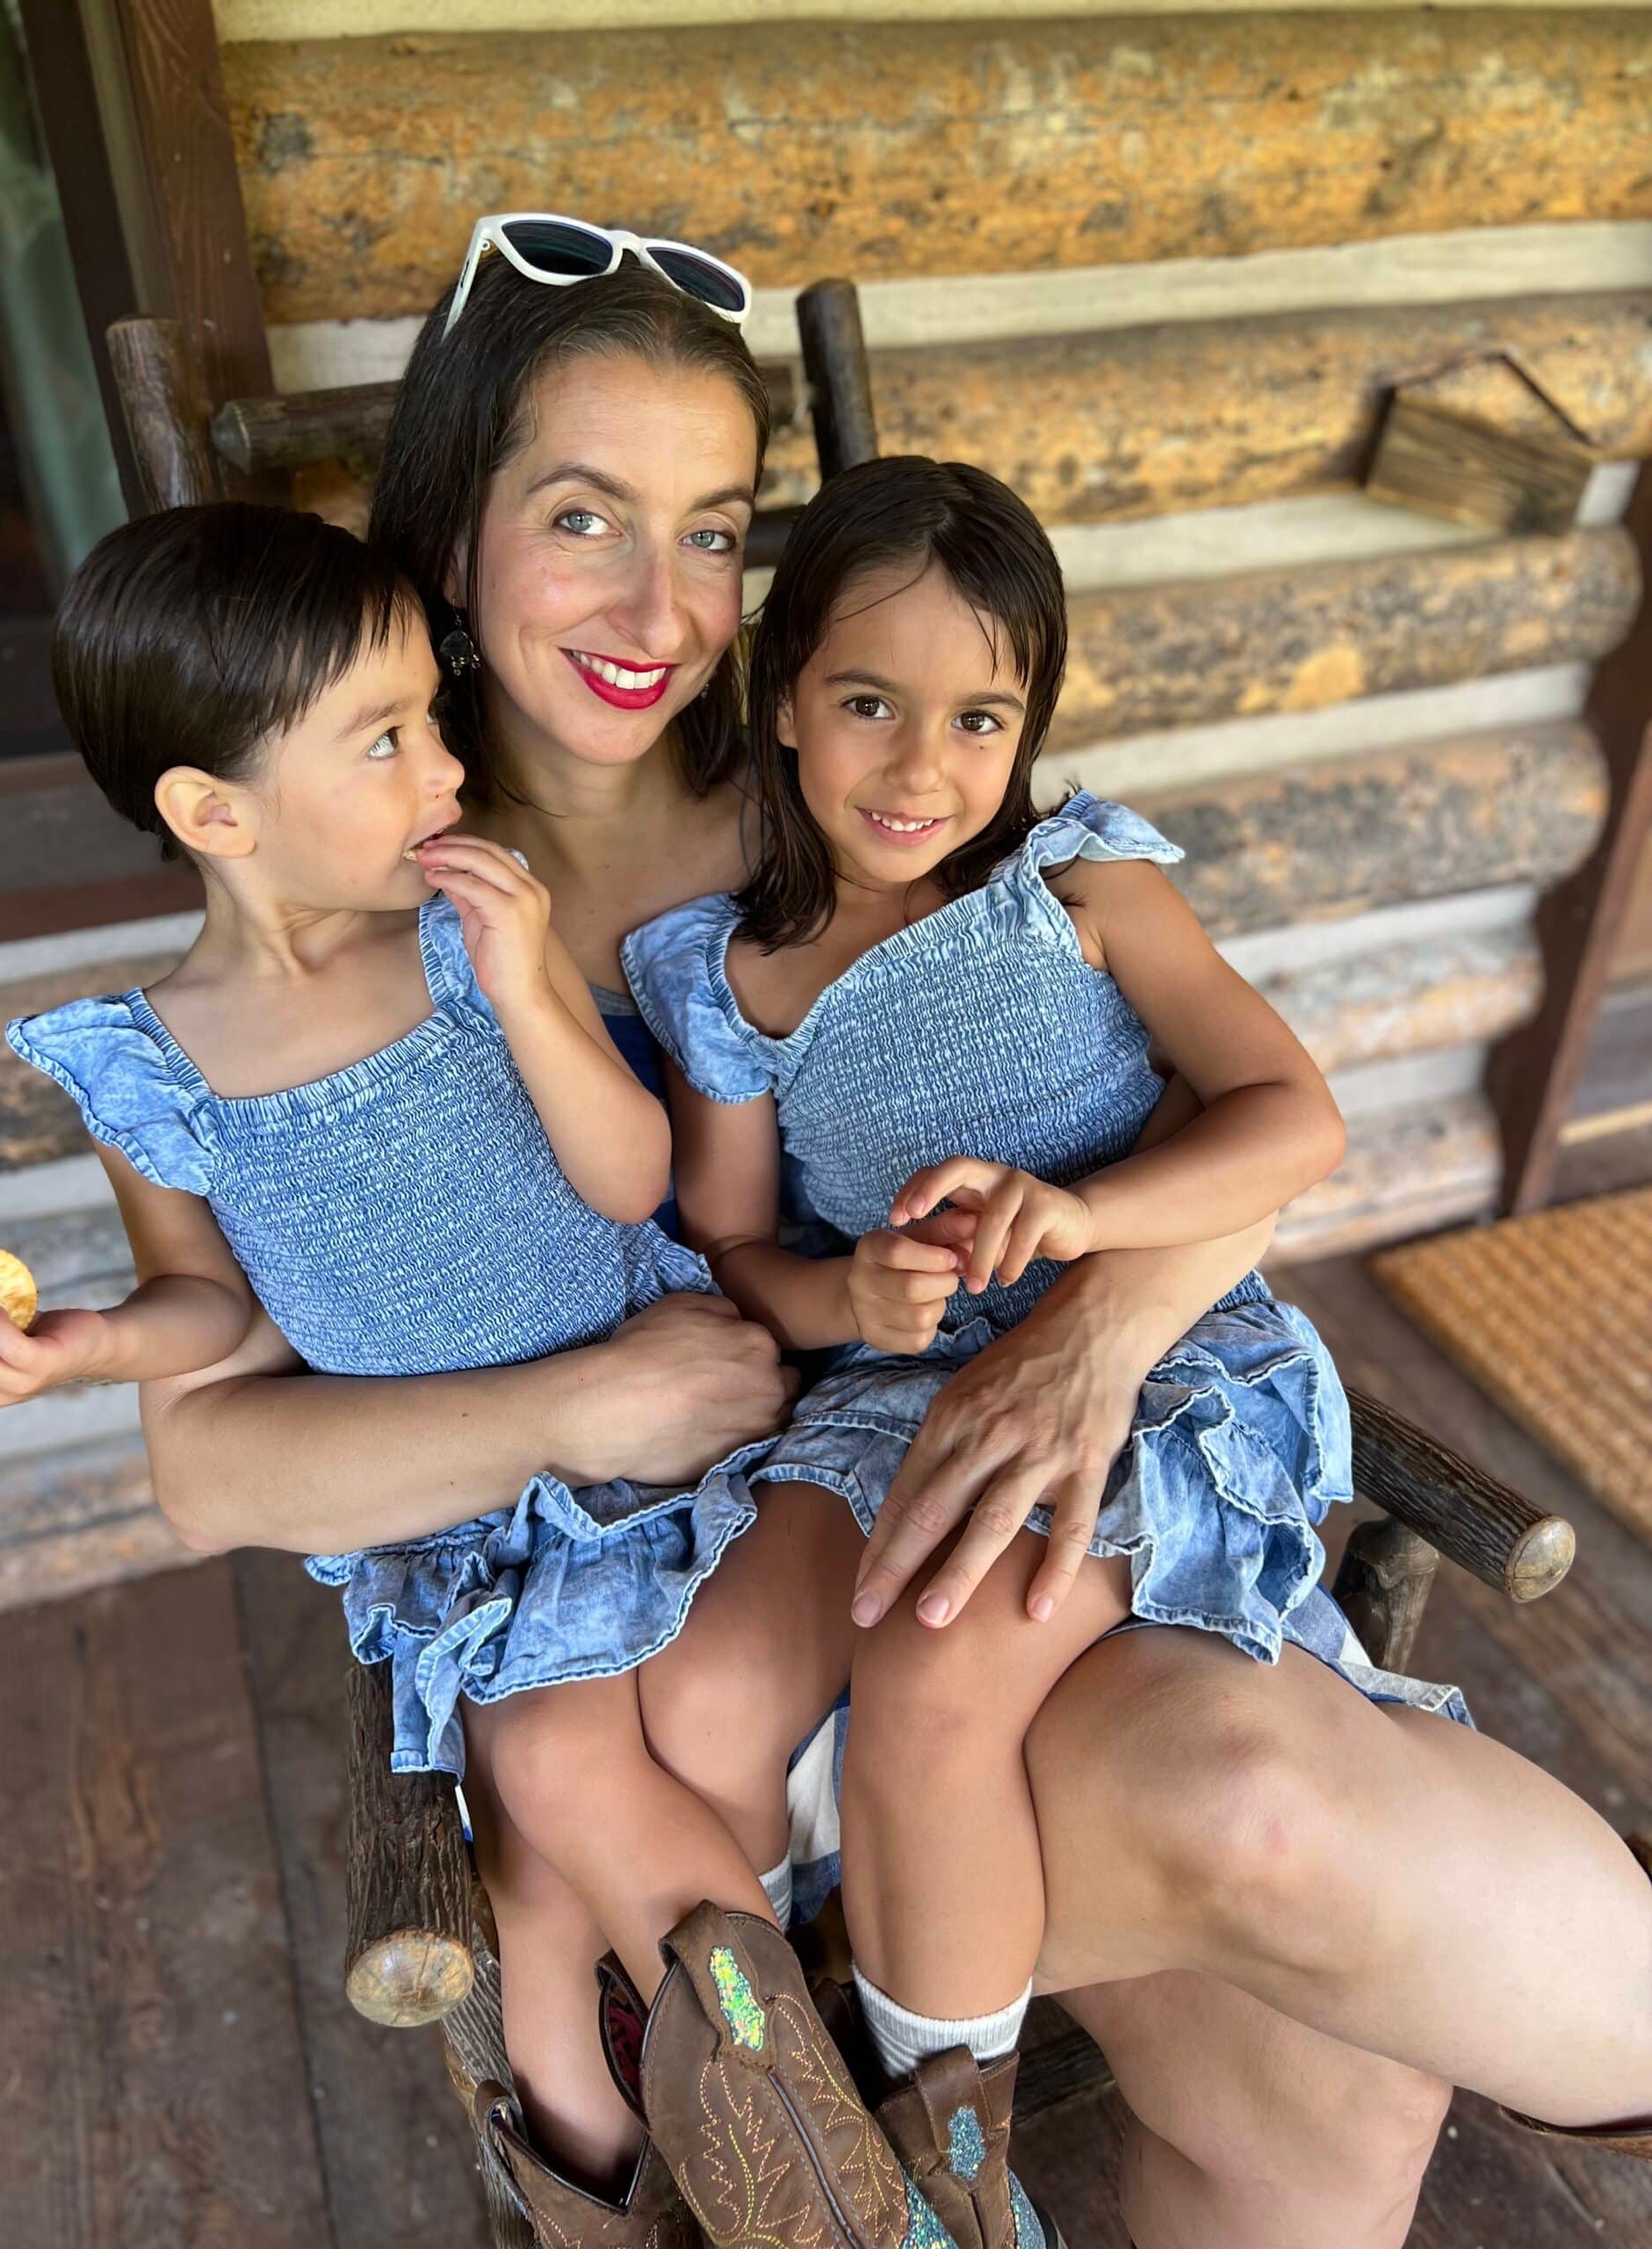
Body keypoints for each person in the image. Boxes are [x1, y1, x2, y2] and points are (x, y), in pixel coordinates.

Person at [38, 221, 1651, 2246]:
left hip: (970, 1490)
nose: (659, 605)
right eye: (582, 518)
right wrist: (585, 1399)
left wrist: (1096, 1330)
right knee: (1263, 1831)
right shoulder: (361, 916)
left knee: (1326, 2078)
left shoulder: (863, 802)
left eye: (713, 530)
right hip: (699, 1672)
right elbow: (209, 1450)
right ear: (450, 542)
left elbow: (1172, 1115)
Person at [0, 503, 865, 2216]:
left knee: (562, 1815)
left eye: (430, 718)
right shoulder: (154, 1068)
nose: (445, 765)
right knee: (535, 1856)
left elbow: (633, 1176)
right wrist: (91, 1342)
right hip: (475, 1525)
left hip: (675, 1451)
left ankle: (801, 2138)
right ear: (212, 813)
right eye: (384, 739)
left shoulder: (464, 955)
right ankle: (644, 2184)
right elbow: (213, 1309)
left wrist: (532, 981)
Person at [621, 451, 1363, 2222]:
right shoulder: (729, 973)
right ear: (782, 694)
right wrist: (845, 1296)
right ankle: (772, 2078)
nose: (921, 766)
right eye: (868, 702)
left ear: (1026, 725)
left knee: (944, 1629)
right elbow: (733, 1244)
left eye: (977, 716)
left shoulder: (1081, 888)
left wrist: (1095, 1213)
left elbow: (1293, 1114)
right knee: (704, 1683)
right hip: (887, 1385)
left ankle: (951, 2162)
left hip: (1151, 1360)